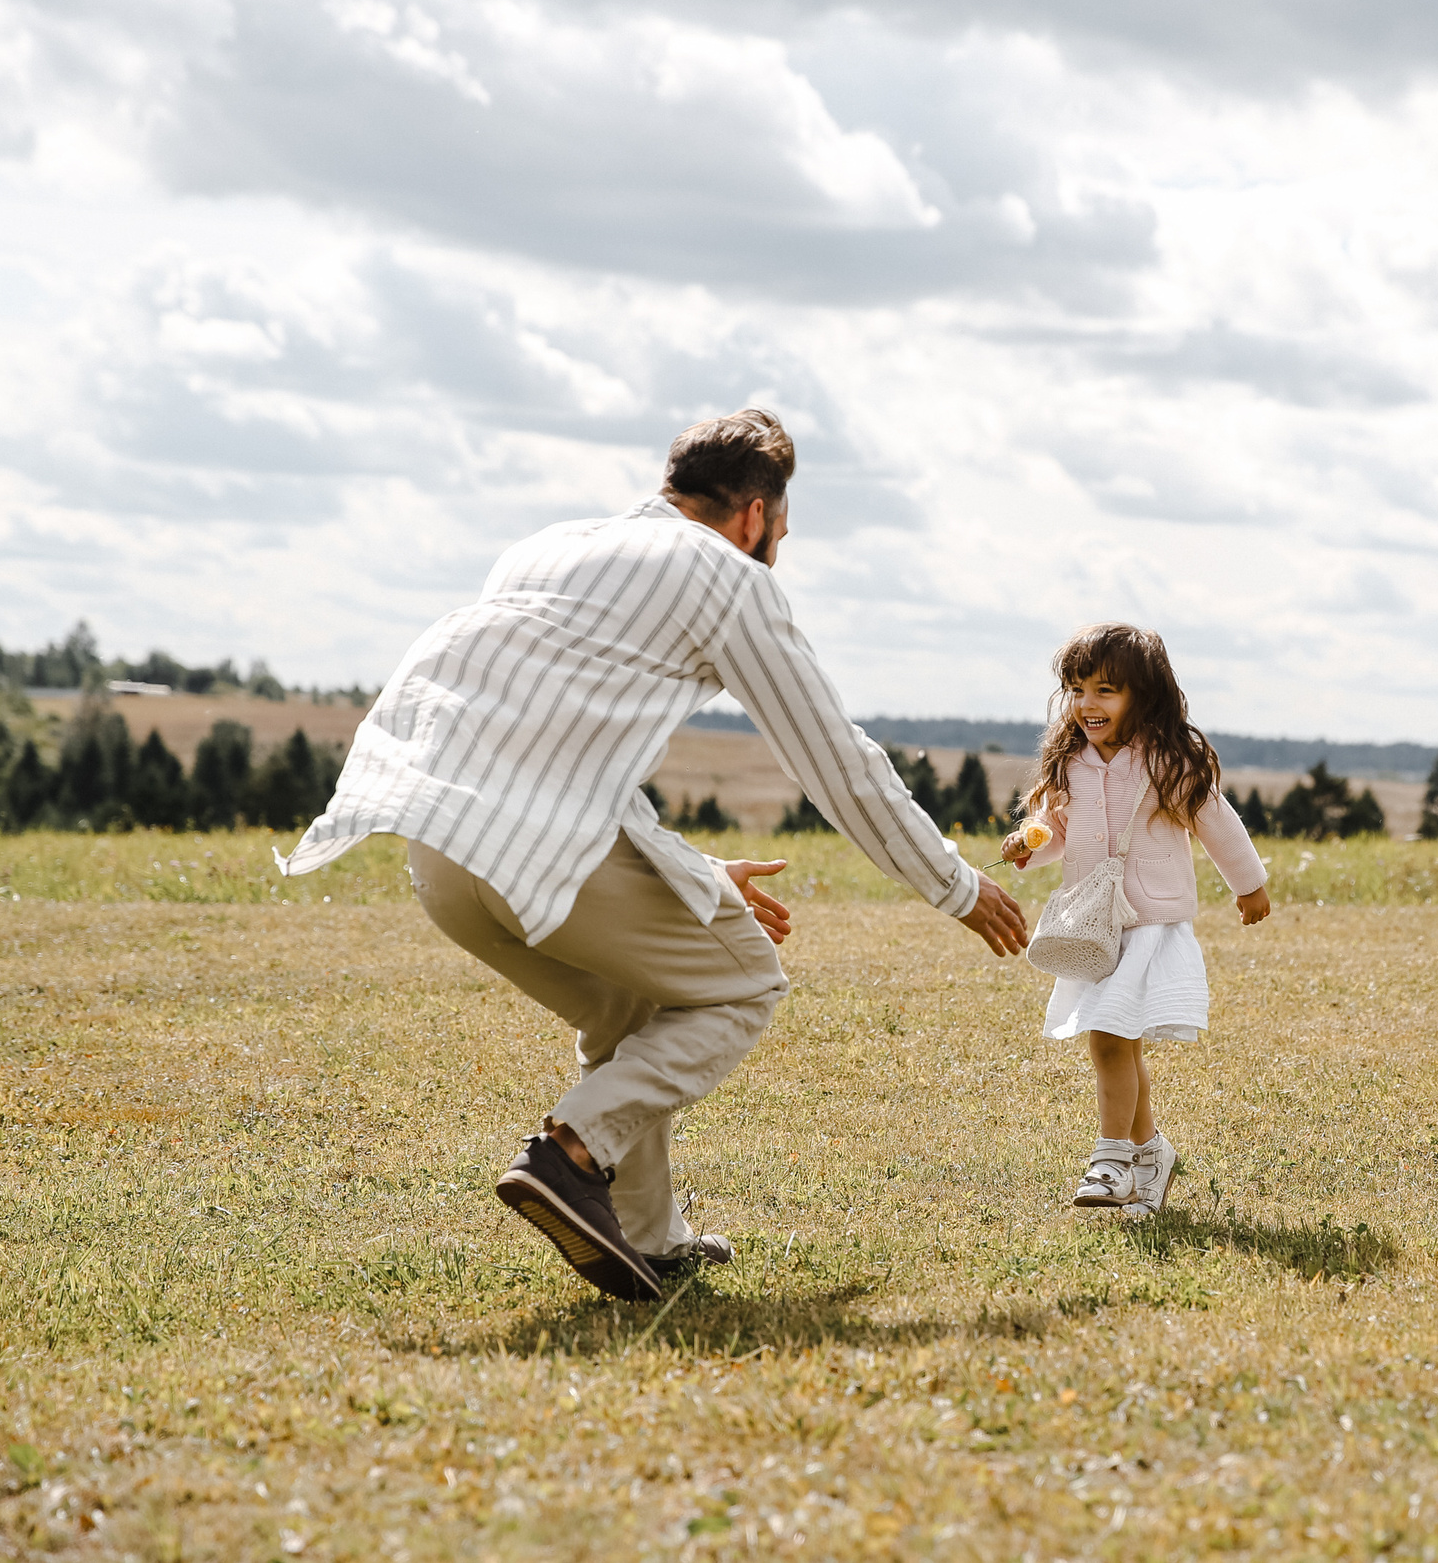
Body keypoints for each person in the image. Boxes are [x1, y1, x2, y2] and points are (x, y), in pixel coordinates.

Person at [277, 408, 1030, 1301]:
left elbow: (558, 748)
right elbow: (834, 757)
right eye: (780, 533)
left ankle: (645, 1237)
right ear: (754, 515)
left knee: (640, 1008)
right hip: (537, 847)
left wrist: (700, 876)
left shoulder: (546, 547)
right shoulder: (727, 578)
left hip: (438, 855)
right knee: (745, 980)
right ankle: (568, 1154)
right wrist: (951, 883)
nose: (776, 552)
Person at [1000, 624, 1271, 1216]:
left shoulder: (1167, 762)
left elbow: (1215, 822)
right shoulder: (1071, 761)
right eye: (1076, 690)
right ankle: (1150, 1155)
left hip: (1150, 922)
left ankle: (1112, 1158)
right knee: (1118, 1041)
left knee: (1109, 1040)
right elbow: (1058, 830)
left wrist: (1248, 885)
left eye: (1106, 690)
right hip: (1096, 926)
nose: (1087, 705)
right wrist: (1029, 842)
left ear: (1143, 696)